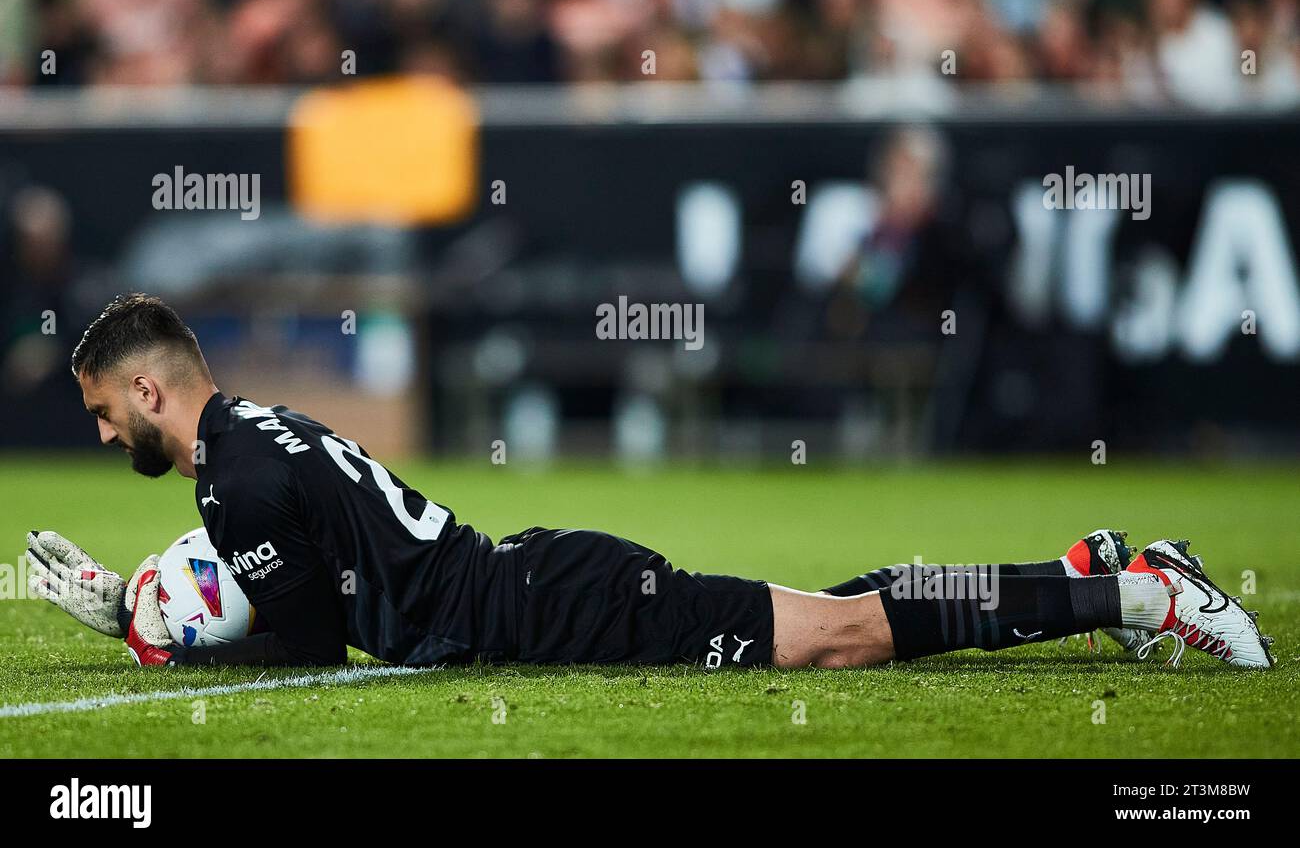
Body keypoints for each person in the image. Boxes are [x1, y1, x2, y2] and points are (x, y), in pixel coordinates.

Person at [27, 294, 1274, 670]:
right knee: (835, 613)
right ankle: (1083, 573)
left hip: (548, 606)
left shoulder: (230, 483)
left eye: (97, 412)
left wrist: (158, 629)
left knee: (839, 634)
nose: (97, 437)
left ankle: (1134, 595)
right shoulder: (255, 430)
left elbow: (302, 659)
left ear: (147, 391)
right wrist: (162, 606)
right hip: (533, 583)